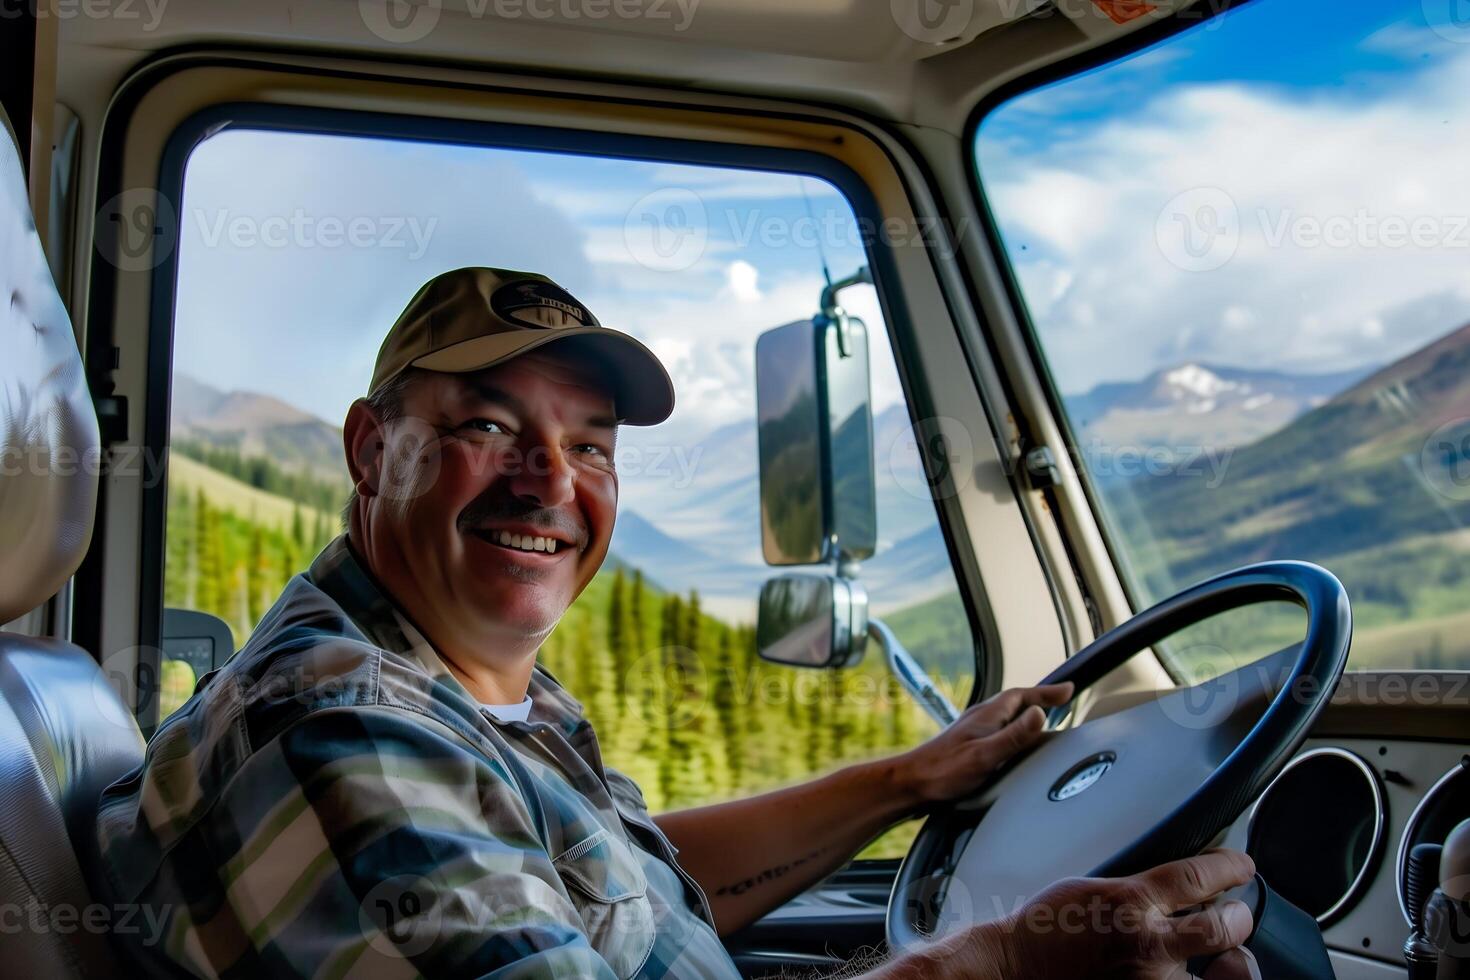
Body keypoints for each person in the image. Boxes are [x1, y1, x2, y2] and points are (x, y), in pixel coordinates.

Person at [97, 267, 1258, 978]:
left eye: (590, 445)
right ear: (369, 447)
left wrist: (912, 777)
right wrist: (1000, 960)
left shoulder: (452, 678)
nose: (549, 480)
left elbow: (619, 882)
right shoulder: (345, 731)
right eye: (491, 427)